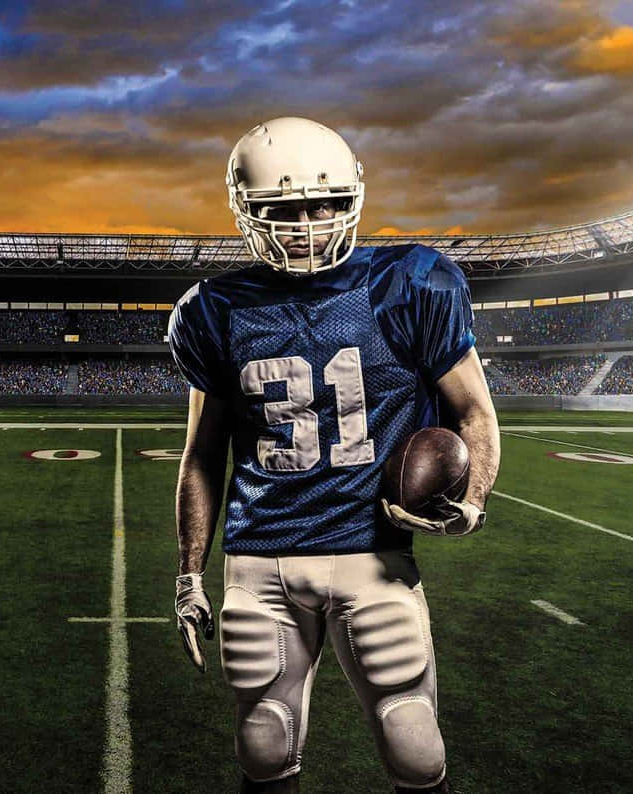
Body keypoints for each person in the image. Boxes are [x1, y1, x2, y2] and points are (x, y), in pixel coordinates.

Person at [168, 117, 500, 793]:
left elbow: (475, 412)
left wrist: (472, 499)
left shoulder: (409, 283)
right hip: (261, 558)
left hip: (369, 552)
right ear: (247, 213)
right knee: (264, 741)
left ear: (352, 198)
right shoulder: (214, 309)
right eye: (283, 211)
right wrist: (187, 574)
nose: (309, 224)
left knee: (413, 741)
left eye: (323, 204)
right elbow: (201, 455)